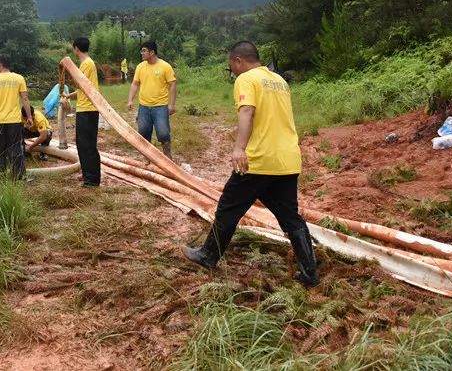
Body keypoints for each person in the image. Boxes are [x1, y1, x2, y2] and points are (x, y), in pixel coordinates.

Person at [180, 41, 319, 287]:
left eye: (231, 67)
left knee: (228, 206)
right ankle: (309, 273)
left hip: (258, 160)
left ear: (238, 61)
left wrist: (239, 148)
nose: (232, 72)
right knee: (289, 216)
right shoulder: (279, 81)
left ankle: (208, 255)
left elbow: (247, 112)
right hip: (286, 159)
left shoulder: (246, 80)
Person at [127, 41, 177, 160]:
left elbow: (173, 84)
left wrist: (172, 104)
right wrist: (130, 100)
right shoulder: (140, 66)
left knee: (163, 133)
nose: (142, 53)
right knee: (143, 133)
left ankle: (167, 157)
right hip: (143, 106)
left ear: (152, 52)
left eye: (144, 51)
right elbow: (135, 84)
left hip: (160, 107)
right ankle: (147, 158)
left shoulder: (165, 66)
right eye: (142, 51)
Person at [0, 54, 33, 179]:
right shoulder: (19, 78)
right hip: (14, 120)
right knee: (16, 148)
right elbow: (25, 98)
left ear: (0, 64)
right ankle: (18, 176)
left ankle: (0, 176)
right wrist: (29, 117)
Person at [64, 38, 101, 187]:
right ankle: (87, 174)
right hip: (84, 108)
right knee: (82, 143)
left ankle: (92, 179)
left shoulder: (87, 64)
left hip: (88, 110)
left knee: (87, 145)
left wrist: (69, 67)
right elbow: (82, 89)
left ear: (76, 49)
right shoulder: (86, 64)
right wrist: (68, 96)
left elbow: (80, 83)